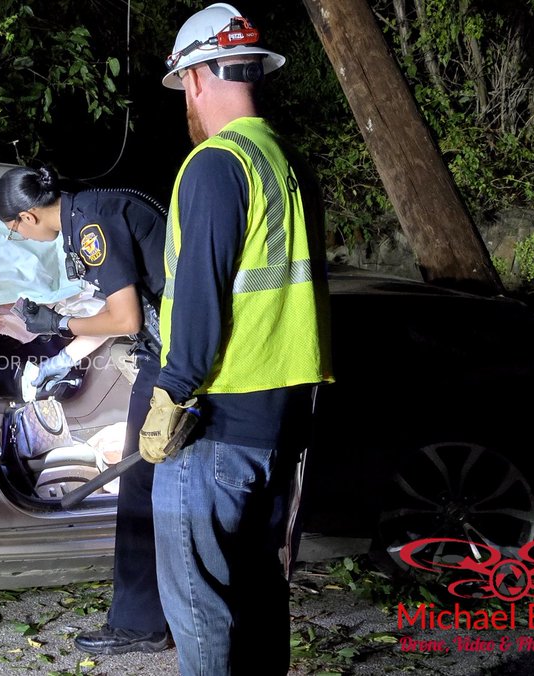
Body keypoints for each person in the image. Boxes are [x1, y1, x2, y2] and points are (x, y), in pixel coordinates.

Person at [138, 4, 334, 674]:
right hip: (282, 424)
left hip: (214, 424)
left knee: (200, 610)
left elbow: (200, 293)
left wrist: (170, 390)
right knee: (258, 589)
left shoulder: (214, 163)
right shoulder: (286, 161)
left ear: (195, 79)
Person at [0, 165, 173, 655]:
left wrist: (58, 320)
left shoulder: (91, 227)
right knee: (163, 488)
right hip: (179, 352)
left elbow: (127, 316)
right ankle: (165, 613)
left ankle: (141, 625)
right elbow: (123, 317)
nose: (21, 238)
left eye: (14, 232)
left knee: (140, 491)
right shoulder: (90, 209)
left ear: (28, 217)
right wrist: (64, 356)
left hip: (175, 362)